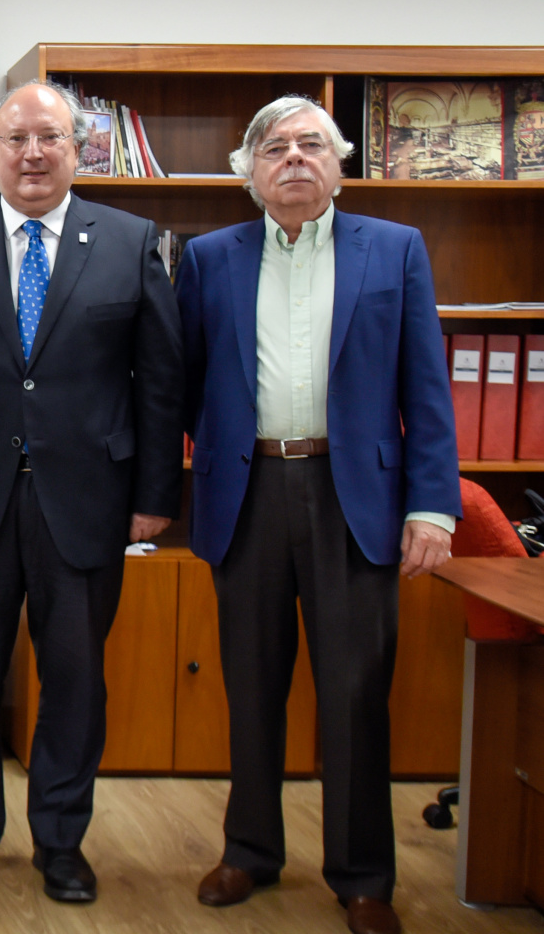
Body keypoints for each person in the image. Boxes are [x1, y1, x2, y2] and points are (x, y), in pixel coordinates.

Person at [0, 80, 183, 906]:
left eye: (48, 137)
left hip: (87, 504)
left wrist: (156, 493)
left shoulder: (130, 242)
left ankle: (61, 841)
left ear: (78, 146)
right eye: (15, 138)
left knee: (75, 684)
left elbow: (161, 380)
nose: (31, 153)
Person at [179, 96, 459, 934]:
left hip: (357, 498)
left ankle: (364, 875)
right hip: (249, 492)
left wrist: (433, 506)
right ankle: (250, 852)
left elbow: (426, 388)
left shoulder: (396, 250)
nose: (294, 159)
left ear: (337, 165)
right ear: (249, 173)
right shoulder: (206, 258)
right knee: (252, 686)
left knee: (355, 694)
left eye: (311, 145)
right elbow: (184, 384)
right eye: (275, 148)